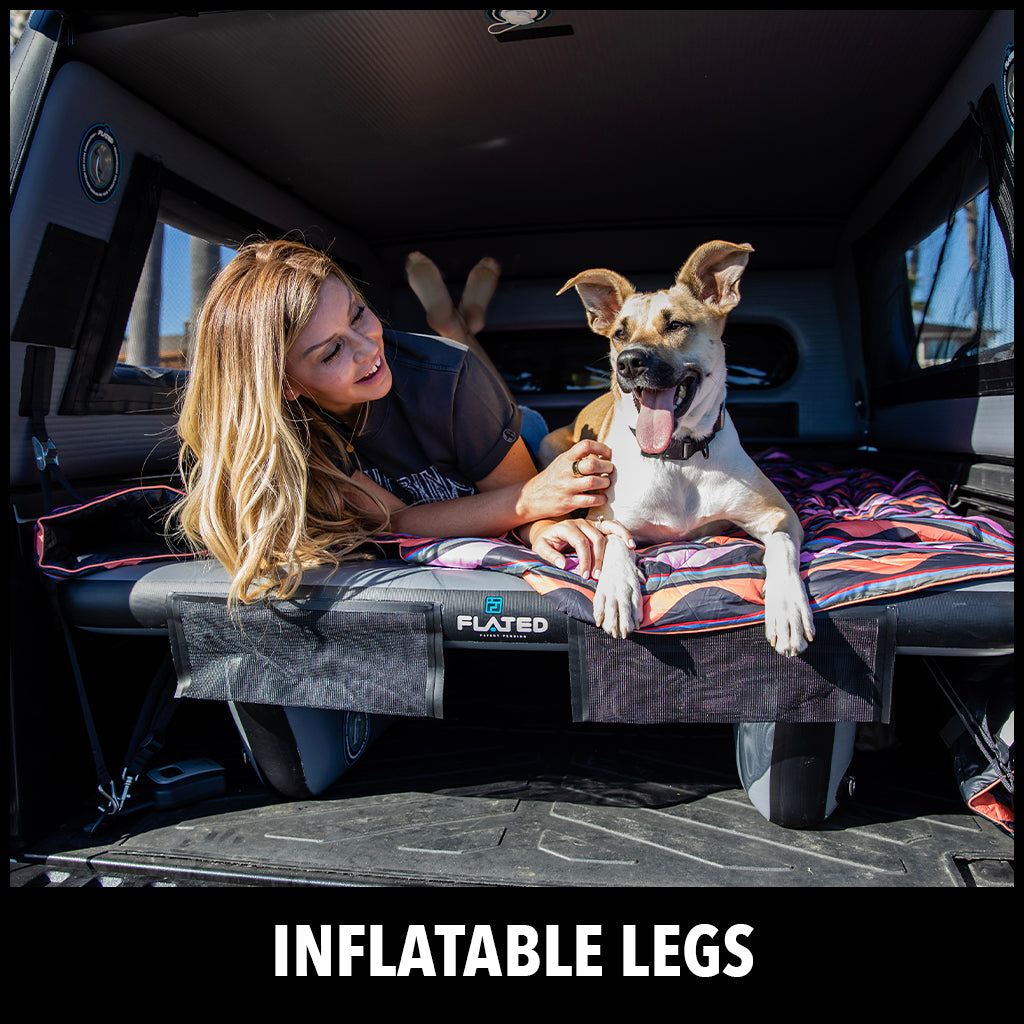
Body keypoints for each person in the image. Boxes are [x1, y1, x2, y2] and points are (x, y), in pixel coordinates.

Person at [172, 236, 630, 798]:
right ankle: (461, 317)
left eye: (360, 315)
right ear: (286, 387)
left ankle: (457, 324)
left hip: (514, 438)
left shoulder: (448, 377)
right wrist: (529, 505)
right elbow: (399, 521)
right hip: (467, 491)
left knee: (525, 420)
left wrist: (537, 513)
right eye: (330, 352)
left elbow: (523, 494)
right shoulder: (296, 440)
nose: (367, 347)